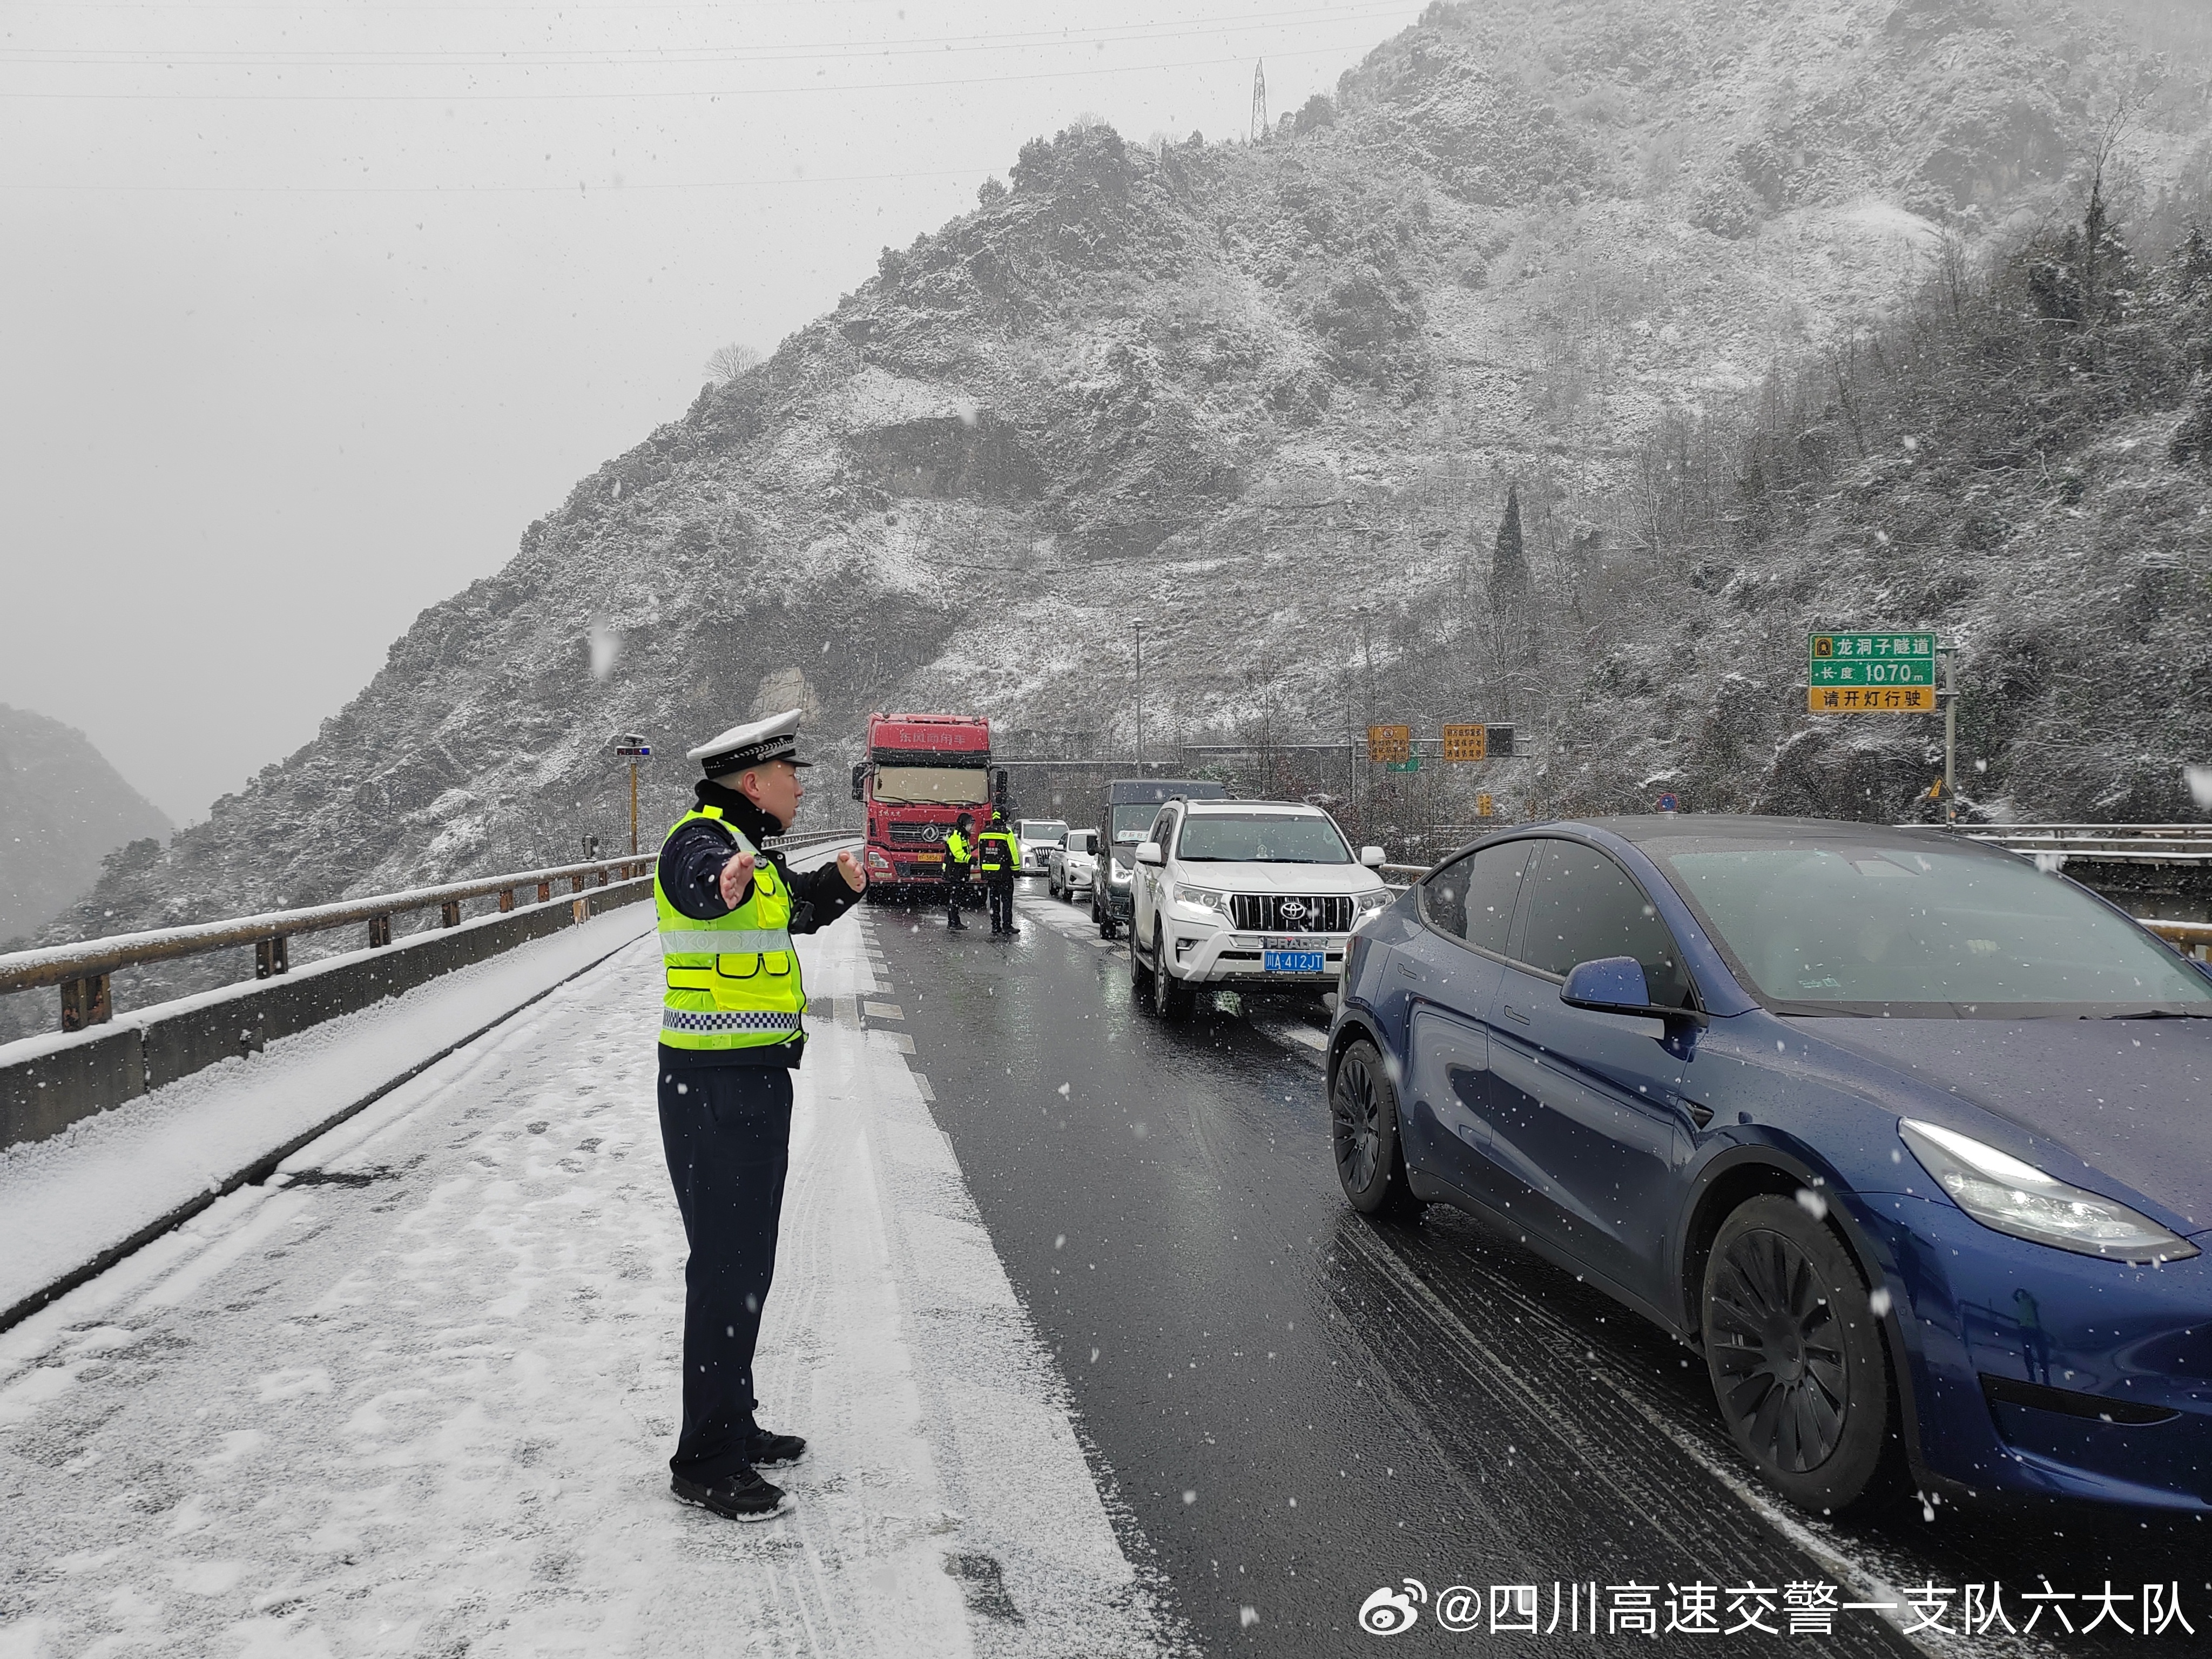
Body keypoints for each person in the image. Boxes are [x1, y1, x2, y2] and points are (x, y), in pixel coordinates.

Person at [654, 707, 866, 1522]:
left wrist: (839, 889)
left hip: (743, 1080)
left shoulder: (760, 858)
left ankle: (733, 1425)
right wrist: (722, 885)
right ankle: (706, 1461)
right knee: (726, 1271)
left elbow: (787, 913)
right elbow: (700, 885)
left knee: (744, 1268)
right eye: (790, 774)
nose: (801, 785)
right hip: (715, 1086)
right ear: (753, 782)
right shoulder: (702, 842)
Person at [977, 805, 1021, 937]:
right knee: (1007, 900)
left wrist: (983, 869)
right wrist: (1016, 870)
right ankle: (1007, 925)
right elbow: (1013, 853)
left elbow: (981, 853)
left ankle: (995, 926)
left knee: (994, 900)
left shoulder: (984, 833)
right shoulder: (1006, 833)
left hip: (990, 874)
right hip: (1004, 873)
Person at [943, 811, 975, 930]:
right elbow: (958, 853)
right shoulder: (956, 836)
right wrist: (970, 859)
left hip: (959, 871)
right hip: (956, 871)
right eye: (969, 825)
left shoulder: (962, 835)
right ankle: (954, 922)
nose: (971, 828)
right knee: (955, 897)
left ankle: (953, 921)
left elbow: (963, 850)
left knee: (956, 897)